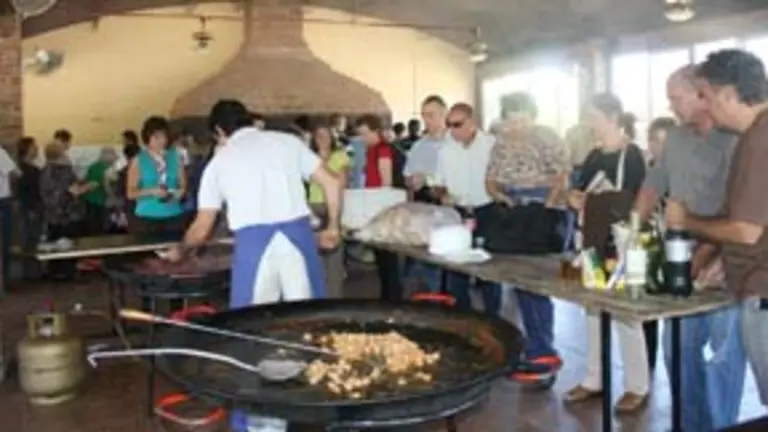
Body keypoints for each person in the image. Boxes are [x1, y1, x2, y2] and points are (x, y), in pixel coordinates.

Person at [164, 100, 341, 432]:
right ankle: (317, 408)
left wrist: (181, 251)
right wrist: (332, 227)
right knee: (309, 328)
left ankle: (263, 423)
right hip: (299, 242)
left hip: (255, 249)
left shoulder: (221, 160)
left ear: (219, 131)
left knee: (252, 336)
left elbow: (203, 226)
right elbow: (332, 181)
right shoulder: (288, 143)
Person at [635, 64, 746, 431]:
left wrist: (706, 253)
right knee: (677, 349)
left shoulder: (736, 141)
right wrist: (633, 229)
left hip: (724, 264)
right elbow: (654, 184)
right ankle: (688, 423)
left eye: (675, 98)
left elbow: (739, 210)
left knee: (722, 358)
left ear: (702, 95)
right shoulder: (678, 139)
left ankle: (719, 425)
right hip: (679, 255)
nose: (671, 107)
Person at [666, 50, 768, 425]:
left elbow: (746, 229)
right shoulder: (752, 137)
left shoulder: (760, 140)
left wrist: (686, 221)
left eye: (707, 95)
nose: (705, 105)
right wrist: (715, 254)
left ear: (728, 94)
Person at [563, 93, 650, 412]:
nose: (589, 125)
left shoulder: (633, 155)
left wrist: (596, 201)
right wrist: (575, 198)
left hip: (622, 243)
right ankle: (594, 377)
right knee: (591, 309)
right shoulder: (593, 156)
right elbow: (581, 192)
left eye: (593, 118)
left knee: (626, 313)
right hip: (593, 240)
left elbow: (637, 200)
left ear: (612, 117)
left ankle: (637, 384)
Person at [434, 103, 500, 313]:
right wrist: (442, 194)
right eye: (449, 125)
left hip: (488, 210)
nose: (452, 129)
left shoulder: (492, 145)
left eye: (457, 124)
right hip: (458, 212)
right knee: (456, 268)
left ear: (472, 123)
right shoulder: (445, 150)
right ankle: (463, 316)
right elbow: (438, 183)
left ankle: (493, 318)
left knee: (490, 268)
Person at [402, 95, 449, 293]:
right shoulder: (418, 146)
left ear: (444, 114)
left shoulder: (455, 143)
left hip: (448, 206)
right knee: (421, 261)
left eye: (431, 115)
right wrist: (412, 180)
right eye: (424, 116)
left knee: (445, 263)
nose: (427, 120)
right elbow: (406, 177)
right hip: (423, 207)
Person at [308, 123, 350, 298]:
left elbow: (342, 181)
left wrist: (322, 168)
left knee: (333, 256)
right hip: (312, 206)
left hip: (332, 205)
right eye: (318, 136)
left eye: (326, 135)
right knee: (314, 256)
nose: (322, 140)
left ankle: (334, 295)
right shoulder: (309, 157)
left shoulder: (340, 156)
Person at [126, 116, 187, 236]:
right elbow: (130, 193)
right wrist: (151, 191)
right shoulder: (138, 160)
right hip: (146, 217)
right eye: (155, 137)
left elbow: (183, 185)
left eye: (163, 136)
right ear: (147, 138)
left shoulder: (175, 157)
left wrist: (178, 193)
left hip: (173, 215)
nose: (160, 141)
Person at [40, 143, 89, 280]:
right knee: (69, 244)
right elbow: (74, 191)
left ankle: (54, 271)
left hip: (52, 213)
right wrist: (88, 187)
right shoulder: (65, 171)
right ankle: (69, 272)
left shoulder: (44, 171)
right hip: (68, 213)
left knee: (54, 243)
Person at [16, 137, 42, 278]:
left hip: (32, 207)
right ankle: (31, 272)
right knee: (31, 239)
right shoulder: (27, 170)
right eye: (34, 146)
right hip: (31, 207)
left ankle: (32, 270)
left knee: (32, 239)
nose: (37, 149)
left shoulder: (26, 168)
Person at [82, 147, 117, 235]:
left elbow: (86, 180)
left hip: (89, 199)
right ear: (108, 156)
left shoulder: (93, 166)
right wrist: (113, 197)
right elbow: (106, 185)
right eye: (113, 155)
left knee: (92, 227)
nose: (115, 157)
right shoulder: (108, 168)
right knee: (101, 228)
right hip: (101, 201)